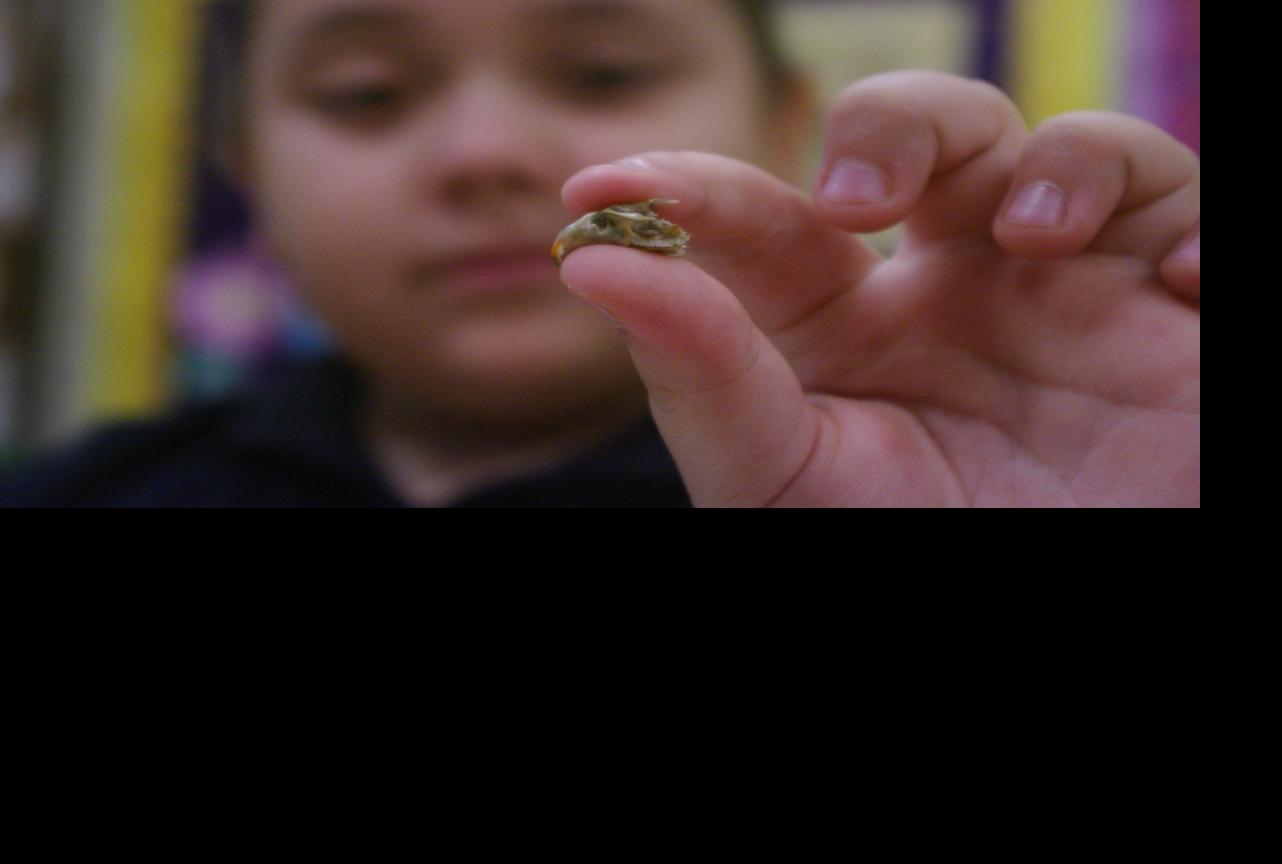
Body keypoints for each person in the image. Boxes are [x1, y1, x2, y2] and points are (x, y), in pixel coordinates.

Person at [0, 0, 1200, 507]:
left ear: (787, 126)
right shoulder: (81, 494)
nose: (484, 153)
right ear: (245, 165)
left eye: (605, 73)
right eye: (365, 93)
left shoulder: (946, 461)